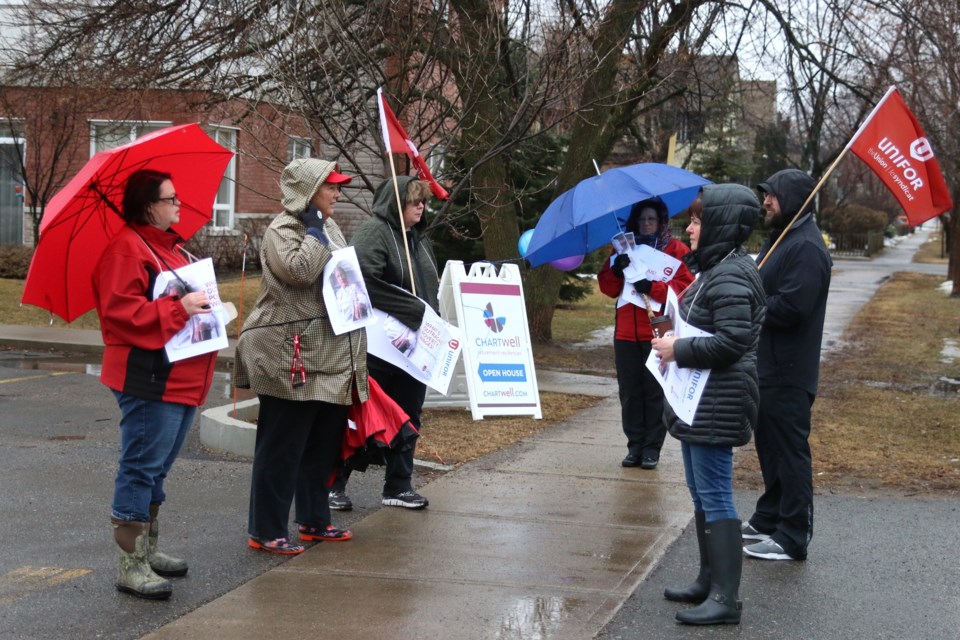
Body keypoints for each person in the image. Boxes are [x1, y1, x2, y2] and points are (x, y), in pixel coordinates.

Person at [93, 169, 218, 600]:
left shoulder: (171, 249)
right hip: (148, 379)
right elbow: (120, 315)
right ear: (149, 204)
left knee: (156, 469)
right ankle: (131, 563)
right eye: (171, 198)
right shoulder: (127, 250)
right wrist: (180, 308)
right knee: (140, 467)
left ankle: (146, 550)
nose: (179, 205)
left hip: (179, 379)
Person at [234, 159, 367, 555]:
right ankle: (265, 529)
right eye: (331, 187)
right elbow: (298, 271)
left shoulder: (331, 226)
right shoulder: (283, 230)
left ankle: (313, 519)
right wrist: (312, 231)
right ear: (309, 192)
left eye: (338, 187)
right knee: (281, 447)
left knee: (321, 445)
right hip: (287, 355)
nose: (338, 194)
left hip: (328, 355)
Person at [652, 184, 766, 625]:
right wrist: (668, 331)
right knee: (701, 493)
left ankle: (725, 598)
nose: (690, 228)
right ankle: (707, 579)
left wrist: (678, 350)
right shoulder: (715, 268)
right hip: (698, 399)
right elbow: (702, 324)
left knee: (716, 495)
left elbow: (733, 340)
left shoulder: (734, 273)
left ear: (720, 223)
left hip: (717, 398)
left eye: (698, 220)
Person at [328, 176, 439, 511]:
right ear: (396, 202)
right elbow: (364, 283)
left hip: (413, 349)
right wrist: (415, 310)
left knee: (409, 414)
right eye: (413, 201)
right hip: (377, 347)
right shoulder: (374, 232)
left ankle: (398, 485)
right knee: (364, 415)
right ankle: (334, 483)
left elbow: (427, 290)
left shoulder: (419, 239)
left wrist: (436, 326)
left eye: (423, 200)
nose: (420, 206)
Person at [741, 169, 832, 562]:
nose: (765, 202)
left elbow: (794, 307)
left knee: (789, 453)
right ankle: (770, 517)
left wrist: (749, 302)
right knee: (771, 449)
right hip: (768, 367)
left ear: (793, 198)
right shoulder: (782, 239)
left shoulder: (807, 247)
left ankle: (793, 536)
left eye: (772, 196)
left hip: (788, 371)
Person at [597, 199, 694, 469]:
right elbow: (606, 286)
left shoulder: (676, 250)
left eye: (651, 219)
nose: (646, 224)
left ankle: (652, 448)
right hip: (626, 332)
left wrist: (653, 287)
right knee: (629, 392)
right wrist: (616, 271)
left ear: (661, 221)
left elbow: (686, 287)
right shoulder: (622, 249)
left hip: (659, 331)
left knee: (654, 391)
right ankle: (634, 446)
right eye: (641, 220)